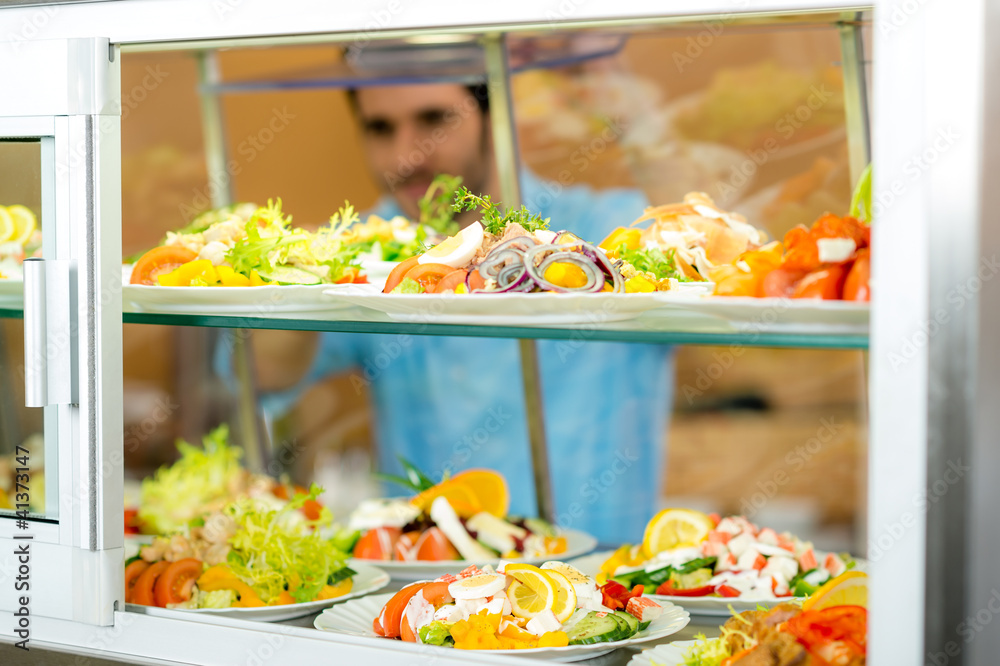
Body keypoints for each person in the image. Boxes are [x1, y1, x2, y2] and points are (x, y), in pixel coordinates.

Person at [246, 82, 674, 544]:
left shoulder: (610, 230)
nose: (406, 156)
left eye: (434, 120)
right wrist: (306, 270)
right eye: (380, 128)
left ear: (499, 117)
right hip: (428, 589)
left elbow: (737, 260)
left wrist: (610, 81)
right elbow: (260, 374)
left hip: (597, 582)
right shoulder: (373, 249)